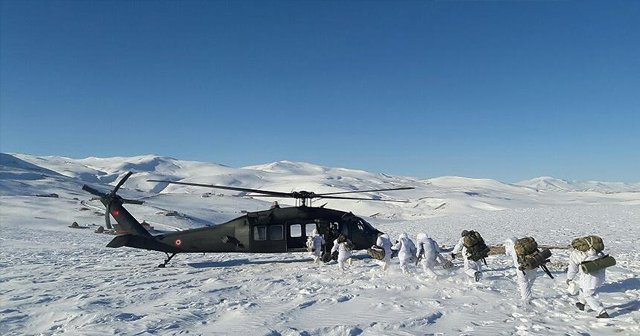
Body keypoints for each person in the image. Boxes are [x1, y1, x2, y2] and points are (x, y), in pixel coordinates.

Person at [566, 241, 610, 318]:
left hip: (589, 277)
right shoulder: (597, 251)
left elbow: (573, 268)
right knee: (583, 287)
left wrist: (569, 278)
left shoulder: (575, 254)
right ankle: (581, 303)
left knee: (589, 294)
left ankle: (601, 312)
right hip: (599, 275)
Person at [504, 237, 538, 304]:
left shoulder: (512, 247)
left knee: (523, 282)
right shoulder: (524, 246)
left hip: (521, 267)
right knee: (531, 278)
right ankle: (527, 292)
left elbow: (507, 253)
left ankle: (526, 299)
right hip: (533, 263)